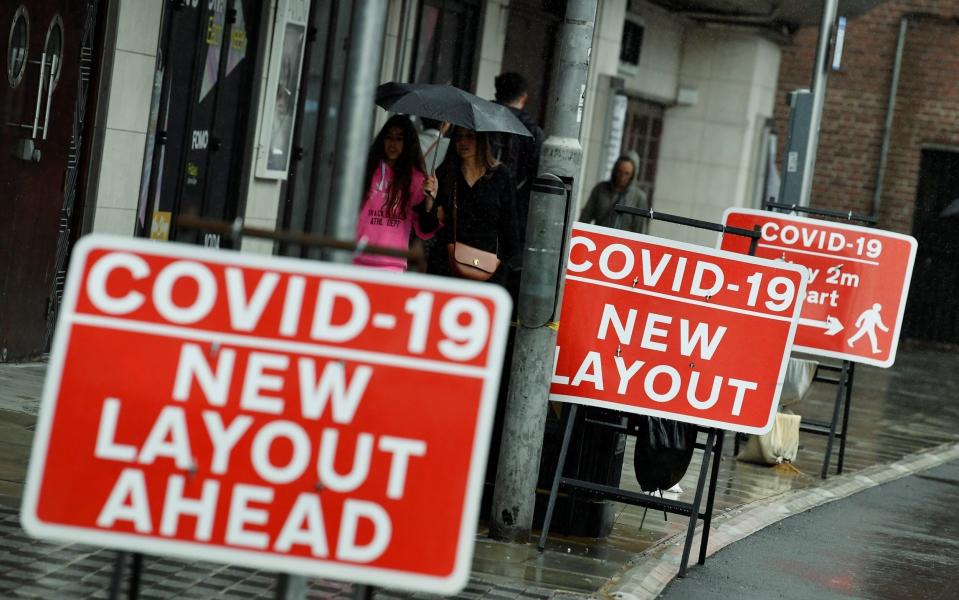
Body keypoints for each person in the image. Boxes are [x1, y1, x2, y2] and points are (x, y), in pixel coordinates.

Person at [427, 127, 519, 285]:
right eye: (459, 137)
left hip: (488, 268)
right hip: (446, 267)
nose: (463, 142)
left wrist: (503, 263)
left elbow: (509, 227)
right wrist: (429, 198)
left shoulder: (500, 175)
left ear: (482, 141)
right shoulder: (444, 174)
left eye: (470, 136)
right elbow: (426, 226)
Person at [354, 115, 440, 272]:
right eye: (389, 137)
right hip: (356, 259)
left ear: (407, 143)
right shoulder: (366, 170)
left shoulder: (417, 179)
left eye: (399, 139)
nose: (393, 144)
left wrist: (430, 198)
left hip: (392, 264)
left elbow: (425, 229)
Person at [490, 72, 545, 238]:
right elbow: (538, 173)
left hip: (475, 204)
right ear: (524, 97)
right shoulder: (533, 132)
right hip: (515, 210)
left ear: (497, 93)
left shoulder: (480, 120)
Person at [579, 151, 650, 234]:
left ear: (632, 175)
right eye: (619, 171)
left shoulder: (639, 197)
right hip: (599, 238)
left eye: (627, 173)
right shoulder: (600, 189)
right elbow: (585, 218)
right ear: (615, 171)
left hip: (624, 243)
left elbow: (640, 230)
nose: (622, 177)